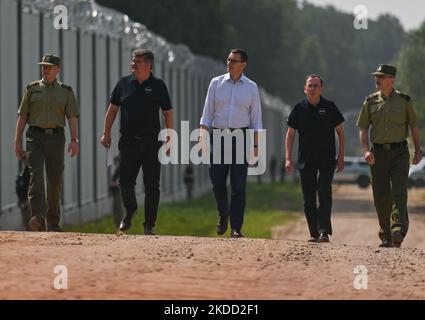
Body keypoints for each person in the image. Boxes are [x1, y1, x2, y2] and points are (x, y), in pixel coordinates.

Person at [100, 49, 173, 235]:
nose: (133, 64)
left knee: (151, 185)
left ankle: (149, 225)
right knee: (125, 181)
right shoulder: (123, 84)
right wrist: (106, 133)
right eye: (133, 61)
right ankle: (130, 211)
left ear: (148, 65)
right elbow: (113, 110)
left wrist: (169, 137)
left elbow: (167, 113)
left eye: (138, 61)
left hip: (151, 143)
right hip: (128, 142)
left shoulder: (158, 86)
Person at [356, 64, 422, 248]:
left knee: (399, 191)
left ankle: (398, 230)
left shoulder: (404, 101)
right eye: (376, 76)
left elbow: (413, 127)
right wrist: (366, 150)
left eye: (381, 76)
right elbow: (363, 128)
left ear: (391, 80)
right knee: (381, 195)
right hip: (377, 154)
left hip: (400, 153)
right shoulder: (369, 101)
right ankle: (385, 235)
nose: (376, 79)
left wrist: (418, 150)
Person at [199, 48, 262, 238]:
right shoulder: (216, 83)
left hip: (241, 137)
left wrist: (256, 145)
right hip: (218, 136)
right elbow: (207, 114)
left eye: (234, 61)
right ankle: (223, 213)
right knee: (217, 179)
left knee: (238, 184)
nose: (229, 63)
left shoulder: (251, 87)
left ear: (243, 64)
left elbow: (256, 120)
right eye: (228, 60)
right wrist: (203, 138)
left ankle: (236, 227)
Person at [14, 54, 80, 232]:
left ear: (57, 70)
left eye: (49, 66)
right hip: (34, 137)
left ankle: (53, 221)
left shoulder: (66, 92)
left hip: (57, 138)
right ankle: (37, 217)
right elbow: (22, 116)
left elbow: (72, 117)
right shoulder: (32, 89)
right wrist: (17, 141)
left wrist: (74, 140)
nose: (45, 69)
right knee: (35, 176)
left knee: (54, 181)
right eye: (43, 66)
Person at [285, 74, 345, 243]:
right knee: (308, 199)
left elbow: (340, 133)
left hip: (327, 159)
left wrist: (341, 157)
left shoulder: (330, 107)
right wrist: (288, 158)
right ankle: (313, 232)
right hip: (306, 159)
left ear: (321, 89)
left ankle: (323, 231)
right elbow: (290, 134)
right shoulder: (298, 108)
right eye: (310, 85)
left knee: (324, 192)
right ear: (305, 89)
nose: (312, 88)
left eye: (316, 85)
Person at [15, 160, 31, 231]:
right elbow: (18, 189)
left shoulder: (31, 175)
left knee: (31, 219)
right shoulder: (20, 176)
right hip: (23, 201)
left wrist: (29, 199)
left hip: (30, 201)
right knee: (25, 220)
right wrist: (21, 200)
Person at [110, 156, 123, 229]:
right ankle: (118, 223)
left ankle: (119, 223)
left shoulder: (121, 169)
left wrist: (116, 183)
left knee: (118, 207)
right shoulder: (118, 170)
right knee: (116, 207)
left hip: (118, 190)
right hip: (115, 190)